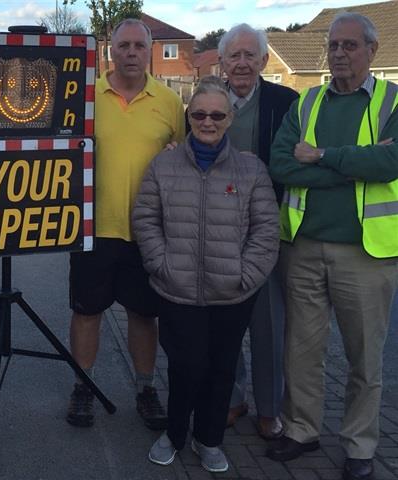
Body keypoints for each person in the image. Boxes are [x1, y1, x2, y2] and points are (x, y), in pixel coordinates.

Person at [267, 12, 398, 480]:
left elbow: (391, 161)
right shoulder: (307, 103)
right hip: (302, 246)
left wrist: (322, 156)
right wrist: (355, 167)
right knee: (301, 349)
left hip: (366, 254)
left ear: (371, 51)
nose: (339, 53)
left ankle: (361, 446)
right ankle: (302, 430)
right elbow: (283, 164)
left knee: (365, 356)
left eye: (349, 46)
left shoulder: (391, 101)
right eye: (334, 46)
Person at [134, 76, 279, 473]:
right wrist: (161, 264)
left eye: (217, 114)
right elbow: (146, 218)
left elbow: (267, 229)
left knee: (221, 368)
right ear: (189, 116)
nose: (208, 121)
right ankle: (175, 434)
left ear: (230, 118)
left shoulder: (251, 169)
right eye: (199, 114)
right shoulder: (163, 164)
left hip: (231, 294)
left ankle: (209, 439)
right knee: (185, 367)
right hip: (177, 291)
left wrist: (246, 275)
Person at [65, 18, 185, 430]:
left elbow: (184, 159)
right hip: (92, 228)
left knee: (142, 314)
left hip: (148, 231)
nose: (131, 52)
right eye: (124, 45)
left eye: (138, 45)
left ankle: (145, 388)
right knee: (86, 313)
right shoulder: (83, 95)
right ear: (109, 51)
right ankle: (83, 387)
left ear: (149, 50)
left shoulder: (169, 102)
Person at [216, 24, 298, 439]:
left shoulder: (287, 102)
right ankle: (232, 399)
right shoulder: (207, 102)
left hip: (267, 232)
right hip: (218, 232)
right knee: (226, 320)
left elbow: (297, 162)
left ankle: (269, 408)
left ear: (265, 61)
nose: (243, 63)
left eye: (251, 55)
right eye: (235, 55)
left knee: (268, 325)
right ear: (223, 62)